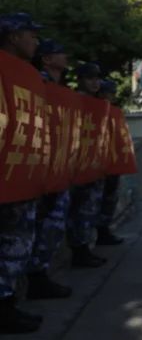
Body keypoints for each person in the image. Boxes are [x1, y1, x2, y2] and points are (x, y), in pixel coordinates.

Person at [0, 13, 46, 333]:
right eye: (31, 35)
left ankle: (8, 304)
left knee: (17, 241)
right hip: (8, 176)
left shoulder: (27, 75)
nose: (36, 41)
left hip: (18, 176)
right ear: (14, 36)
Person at [23, 36, 75, 300]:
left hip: (56, 164)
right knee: (38, 225)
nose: (65, 57)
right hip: (39, 165)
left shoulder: (58, 86)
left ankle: (40, 275)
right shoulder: (38, 82)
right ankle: (34, 279)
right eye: (60, 52)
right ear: (46, 59)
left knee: (53, 223)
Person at [67, 62, 108, 268]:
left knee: (89, 209)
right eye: (90, 78)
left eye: (97, 78)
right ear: (81, 80)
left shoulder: (97, 103)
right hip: (77, 166)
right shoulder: (74, 100)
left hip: (94, 164)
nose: (95, 82)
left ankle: (84, 249)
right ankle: (79, 251)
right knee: (79, 210)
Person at [94, 79, 125, 246]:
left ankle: (104, 231)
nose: (111, 96)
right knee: (94, 203)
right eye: (108, 93)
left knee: (109, 199)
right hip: (96, 164)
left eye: (112, 93)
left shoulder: (112, 111)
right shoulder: (93, 110)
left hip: (111, 162)